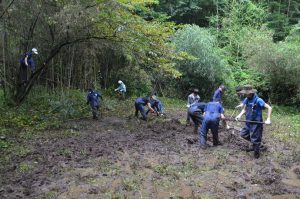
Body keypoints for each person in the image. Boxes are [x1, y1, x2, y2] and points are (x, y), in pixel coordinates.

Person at [235, 85, 272, 159]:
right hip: (248, 121)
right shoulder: (247, 99)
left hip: (256, 122)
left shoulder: (258, 100)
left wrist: (268, 119)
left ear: (251, 93)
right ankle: (256, 144)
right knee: (243, 134)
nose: (245, 94)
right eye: (245, 93)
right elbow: (244, 109)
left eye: (247, 93)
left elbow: (269, 107)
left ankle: (256, 154)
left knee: (255, 138)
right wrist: (239, 115)